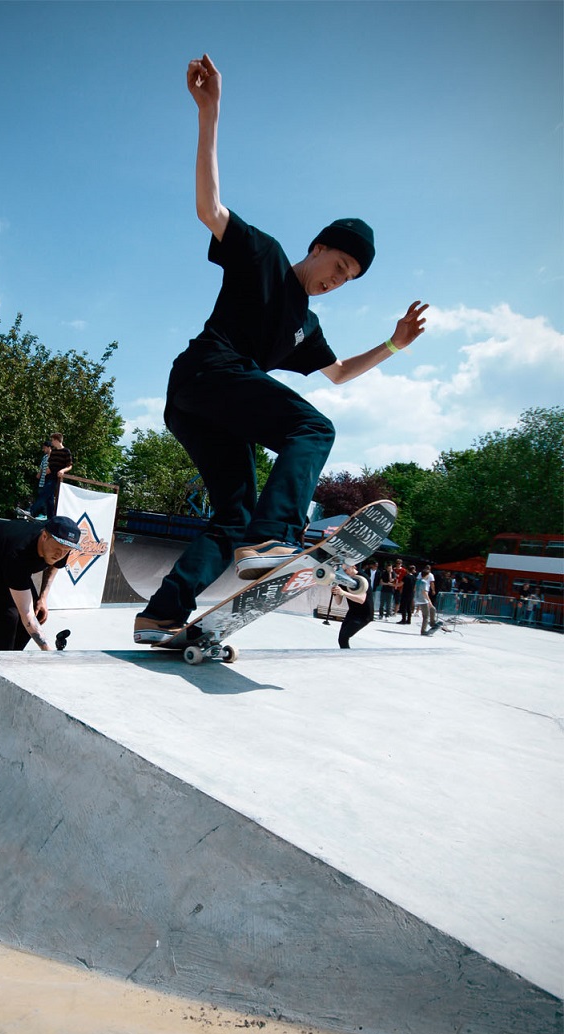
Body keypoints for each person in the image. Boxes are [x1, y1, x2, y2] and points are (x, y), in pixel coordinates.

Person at [133, 53, 428, 643]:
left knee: (232, 514)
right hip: (207, 373)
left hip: (203, 407)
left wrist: (393, 345)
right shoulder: (262, 256)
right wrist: (210, 114)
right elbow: (208, 208)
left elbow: (339, 373)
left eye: (347, 279)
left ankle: (161, 611)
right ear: (317, 247)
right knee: (313, 431)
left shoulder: (308, 326)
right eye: (336, 265)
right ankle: (277, 539)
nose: (335, 279)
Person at [0, 515, 81, 651]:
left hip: (6, 556)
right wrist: (48, 651)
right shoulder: (19, 553)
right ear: (44, 537)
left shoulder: (60, 549)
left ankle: (12, 655)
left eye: (66, 551)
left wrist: (43, 598)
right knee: (9, 615)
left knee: (37, 612)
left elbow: (56, 566)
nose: (60, 554)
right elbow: (26, 613)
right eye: (57, 549)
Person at [332, 564, 374, 649]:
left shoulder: (362, 577)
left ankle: (348, 656)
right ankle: (346, 655)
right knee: (341, 639)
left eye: (346, 569)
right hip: (352, 612)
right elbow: (338, 602)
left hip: (364, 614)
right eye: (343, 570)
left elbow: (361, 600)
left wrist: (343, 592)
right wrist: (335, 592)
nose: (344, 572)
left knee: (344, 637)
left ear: (353, 566)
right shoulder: (344, 579)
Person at [414, 567, 438, 635]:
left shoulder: (418, 581)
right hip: (423, 600)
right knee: (426, 616)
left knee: (433, 609)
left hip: (418, 598)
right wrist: (429, 601)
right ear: (427, 575)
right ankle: (423, 631)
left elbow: (415, 589)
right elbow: (424, 592)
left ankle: (432, 623)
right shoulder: (424, 582)